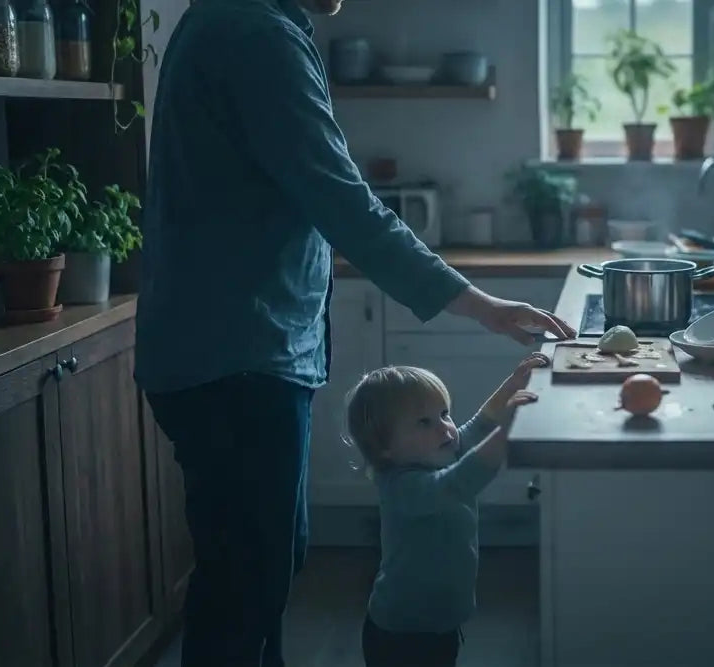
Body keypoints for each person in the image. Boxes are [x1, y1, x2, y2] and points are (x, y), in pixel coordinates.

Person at [134, 0, 576, 663]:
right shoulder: (255, 33)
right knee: (246, 581)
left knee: (260, 568)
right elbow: (347, 205)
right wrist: (481, 305)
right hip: (237, 357)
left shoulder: (236, 21)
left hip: (232, 352)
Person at [344, 353, 548, 666]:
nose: (445, 429)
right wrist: (508, 432)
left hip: (439, 626)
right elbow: (458, 482)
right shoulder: (402, 487)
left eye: (444, 414)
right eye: (424, 422)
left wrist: (513, 383)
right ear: (383, 446)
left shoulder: (434, 454)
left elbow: (476, 426)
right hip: (402, 637)